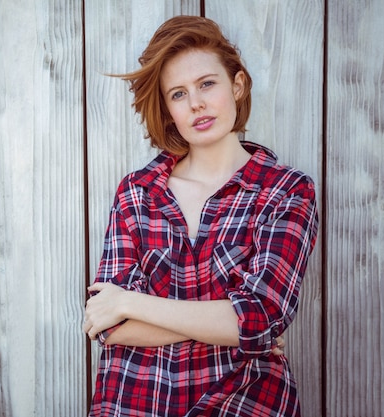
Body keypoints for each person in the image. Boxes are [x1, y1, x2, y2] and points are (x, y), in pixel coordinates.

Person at [82, 15, 319, 416]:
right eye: (178, 93)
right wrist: (232, 326)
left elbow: (261, 317)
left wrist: (130, 302)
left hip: (244, 402)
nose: (196, 103)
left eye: (207, 83)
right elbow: (109, 325)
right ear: (167, 108)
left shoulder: (286, 190)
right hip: (136, 401)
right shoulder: (137, 193)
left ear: (237, 85)